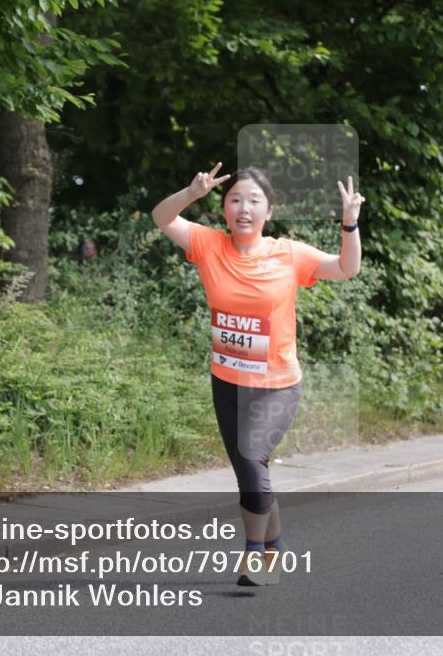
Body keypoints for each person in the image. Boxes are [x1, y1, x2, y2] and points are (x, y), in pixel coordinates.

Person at [151, 162, 363, 585]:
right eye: (234, 200)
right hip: (227, 381)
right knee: (253, 471)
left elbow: (346, 268)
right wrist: (191, 192)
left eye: (253, 201)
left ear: (269, 211)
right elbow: (162, 218)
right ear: (224, 210)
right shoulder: (208, 245)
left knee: (251, 461)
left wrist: (350, 224)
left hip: (277, 386)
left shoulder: (290, 254)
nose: (243, 208)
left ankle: (253, 557)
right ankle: (275, 550)